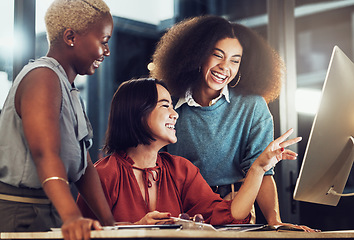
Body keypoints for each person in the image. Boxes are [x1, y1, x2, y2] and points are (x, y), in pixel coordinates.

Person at [77, 78, 303, 228]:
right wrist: (138, 228)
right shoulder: (103, 174)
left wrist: (258, 167)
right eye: (165, 105)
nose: (174, 114)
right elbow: (85, 231)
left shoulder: (180, 170)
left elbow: (231, 214)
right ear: (137, 112)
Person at [149, 15, 297, 227]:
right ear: (198, 55)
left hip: (234, 209)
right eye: (217, 56)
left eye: (235, 60)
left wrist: (275, 221)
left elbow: (262, 169)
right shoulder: (168, 103)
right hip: (179, 211)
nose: (224, 67)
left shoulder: (253, 106)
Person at [0, 0, 115, 239]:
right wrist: (72, 216)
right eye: (103, 42)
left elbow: (82, 166)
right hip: (19, 211)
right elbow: (45, 153)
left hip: (50, 208)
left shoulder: (70, 89)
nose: (107, 51)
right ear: (70, 36)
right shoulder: (43, 77)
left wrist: (110, 223)